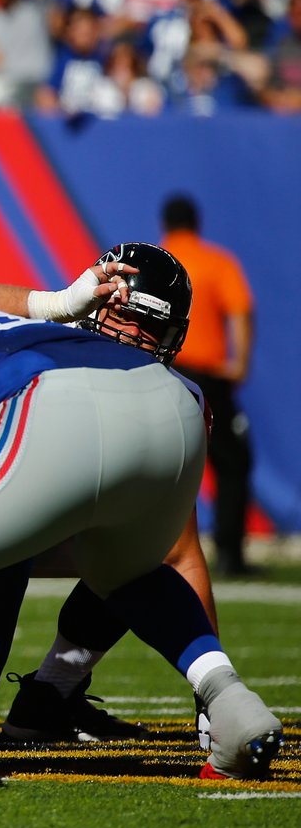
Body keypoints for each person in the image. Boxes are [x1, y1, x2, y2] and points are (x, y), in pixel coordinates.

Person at [0, 238, 282, 787]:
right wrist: (57, 303)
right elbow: (177, 557)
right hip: (170, 405)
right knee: (129, 574)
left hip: (51, 404)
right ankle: (231, 703)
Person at [0, 243, 219, 744]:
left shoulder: (180, 400)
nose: (134, 337)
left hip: (72, 532)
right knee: (4, 543)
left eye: (151, 328)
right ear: (95, 307)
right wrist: (53, 303)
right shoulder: (46, 348)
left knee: (140, 555)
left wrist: (213, 692)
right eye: (125, 318)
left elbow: (182, 551)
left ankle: (50, 696)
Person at [161, 193, 257, 576]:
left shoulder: (159, 262)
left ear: (165, 225)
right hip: (207, 377)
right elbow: (240, 311)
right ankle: (230, 554)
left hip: (162, 368)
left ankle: (149, 548)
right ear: (196, 223)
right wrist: (240, 363)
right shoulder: (216, 262)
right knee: (232, 462)